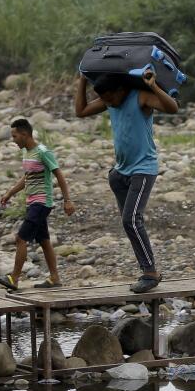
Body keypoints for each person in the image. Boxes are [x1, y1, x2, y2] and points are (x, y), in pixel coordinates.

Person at [74, 69, 178, 294]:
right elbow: (80, 111)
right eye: (104, 99)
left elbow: (173, 108)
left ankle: (150, 273)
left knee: (131, 219)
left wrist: (153, 86)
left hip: (143, 169)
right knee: (128, 222)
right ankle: (146, 269)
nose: (108, 103)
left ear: (121, 89)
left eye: (110, 97)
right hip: (120, 173)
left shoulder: (141, 96)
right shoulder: (109, 101)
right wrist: (83, 80)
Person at [0, 118, 75, 291]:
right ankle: (54, 278)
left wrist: (67, 200)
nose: (13, 139)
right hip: (32, 202)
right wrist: (10, 193)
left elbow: (59, 175)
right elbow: (28, 177)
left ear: (24, 134)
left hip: (42, 202)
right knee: (44, 241)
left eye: (15, 136)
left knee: (21, 238)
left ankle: (14, 278)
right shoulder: (26, 152)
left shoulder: (43, 152)